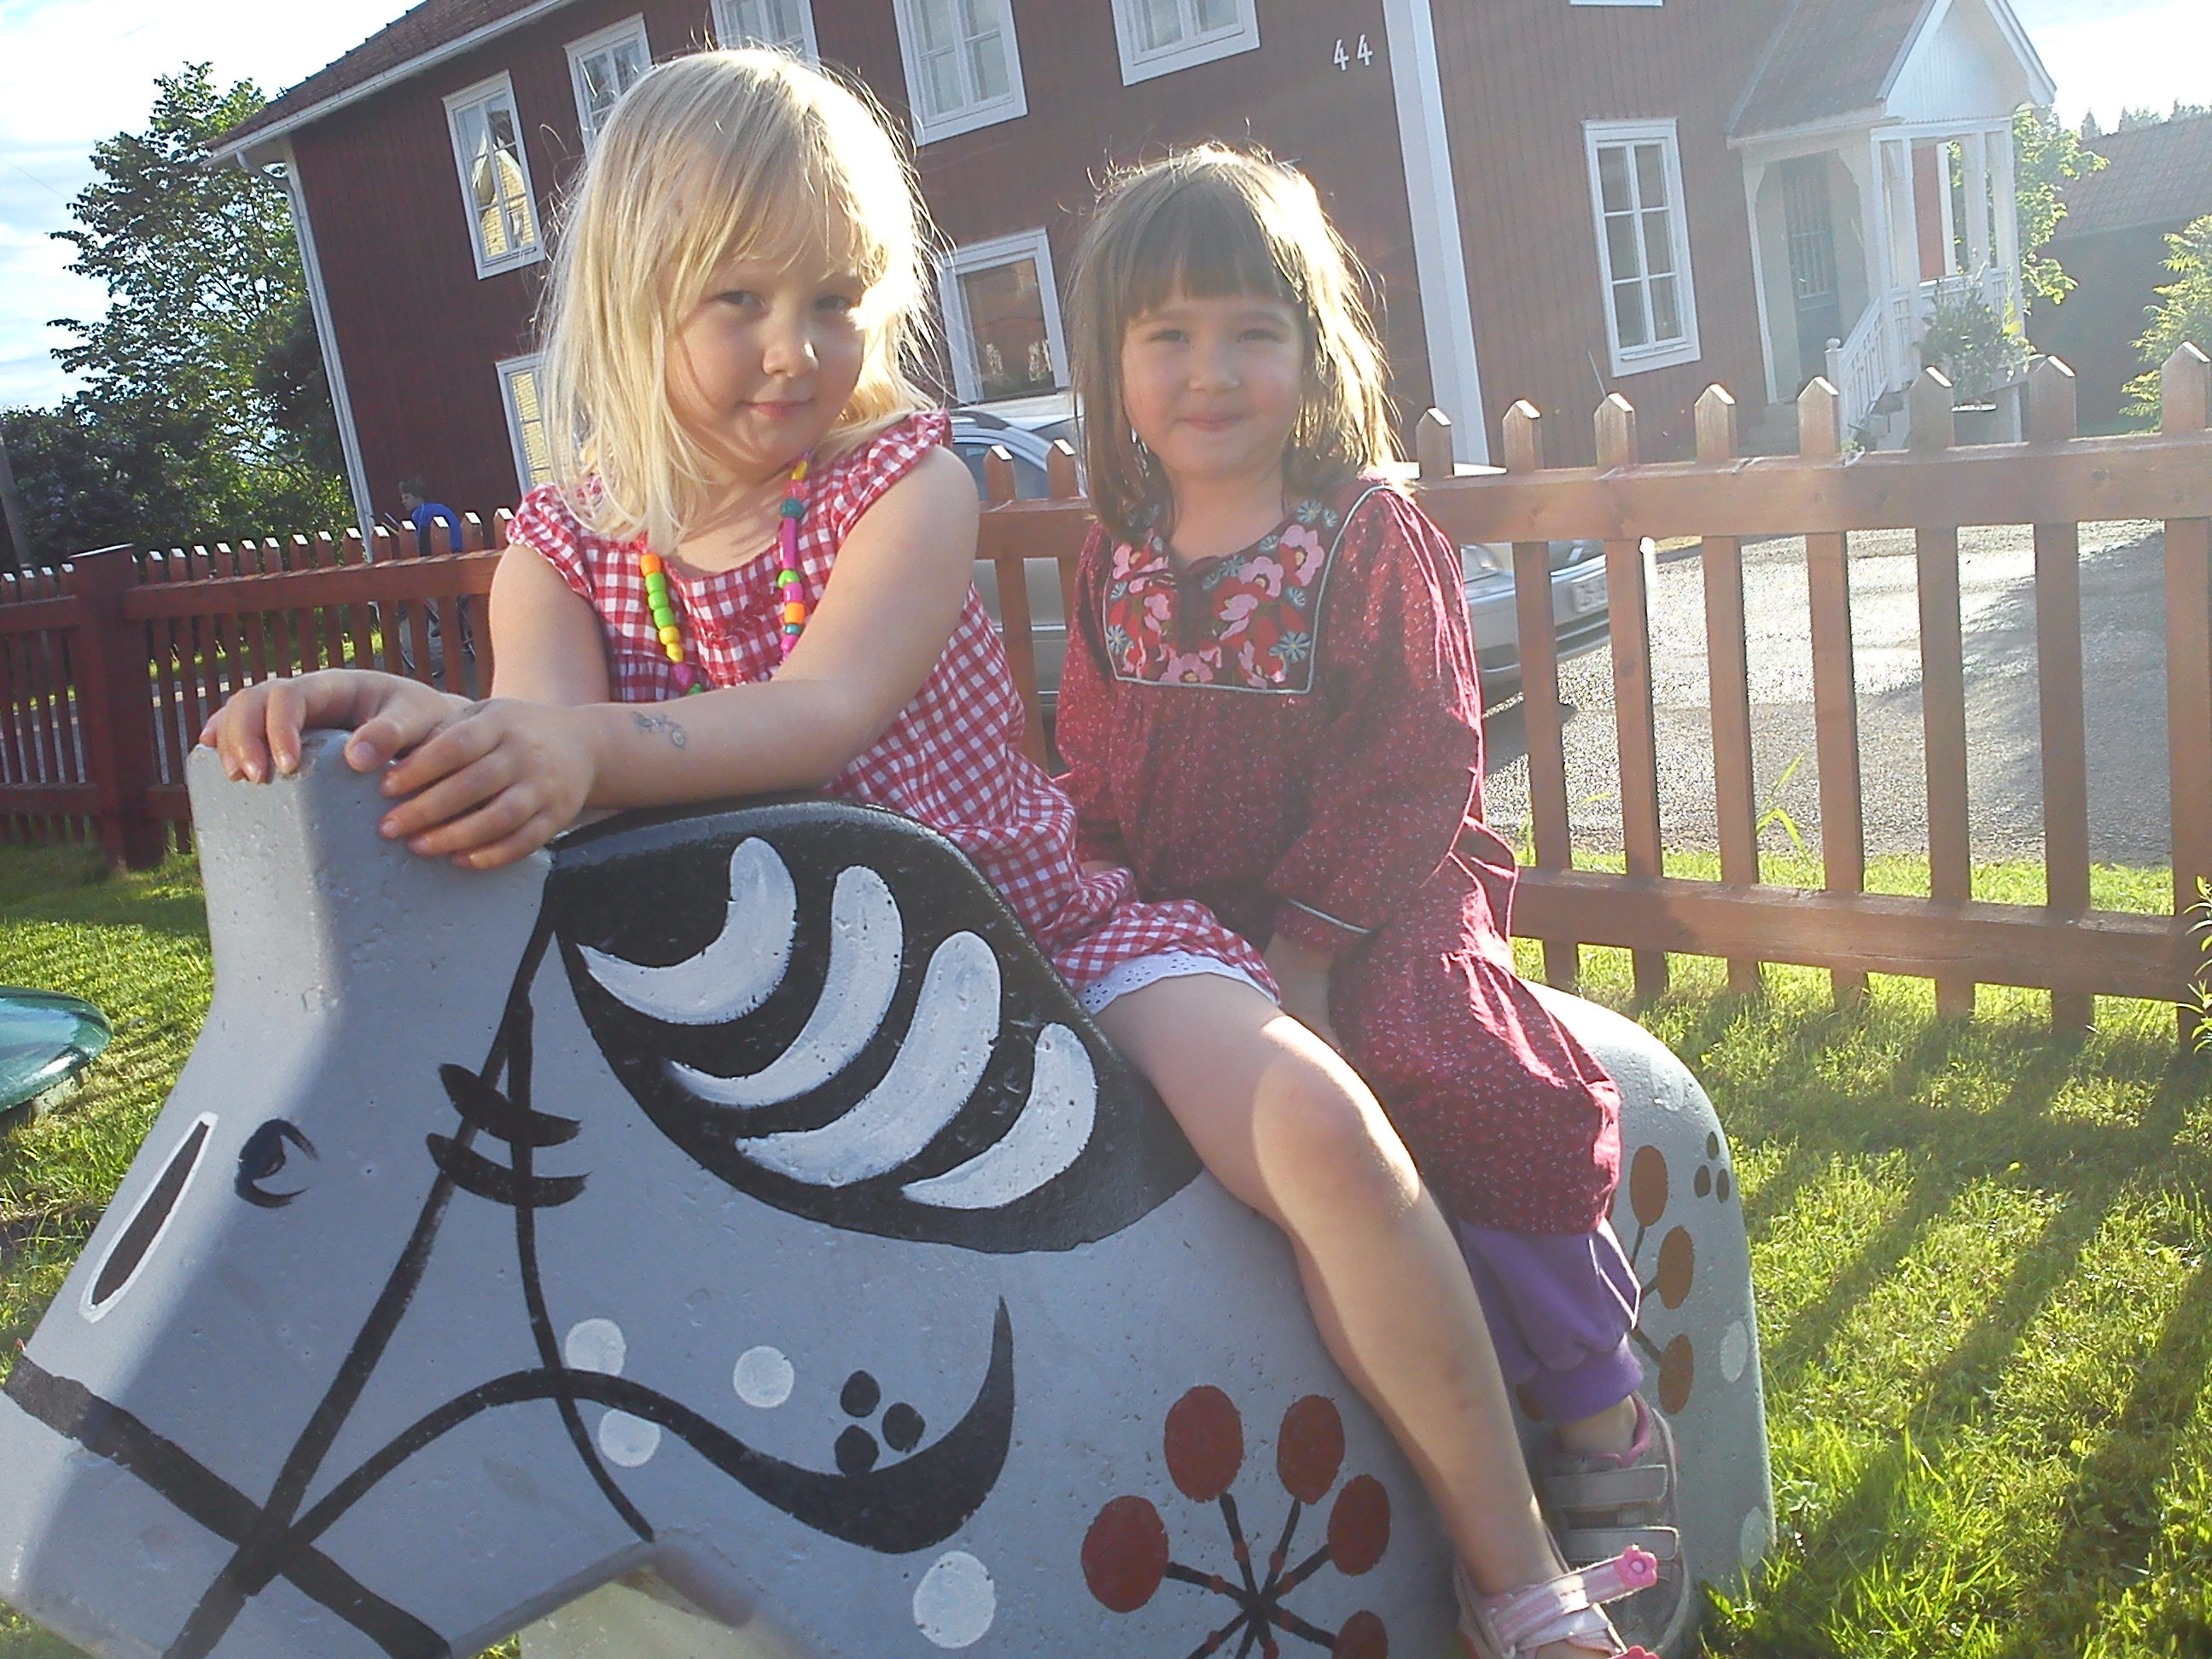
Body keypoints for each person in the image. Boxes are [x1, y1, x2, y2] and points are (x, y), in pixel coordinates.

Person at [200, 52, 1654, 1659]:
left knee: (1324, 1130)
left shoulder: (906, 481)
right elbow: (537, 749)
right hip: (770, 1010)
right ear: (629, 292)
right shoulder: (560, 551)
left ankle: (1517, 1571)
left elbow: (818, 712)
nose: (794, 349)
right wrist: (400, 726)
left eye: (833, 299)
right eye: (737, 298)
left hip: (1028, 935)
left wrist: (572, 749)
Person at [1053, 146, 1685, 1658]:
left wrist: (1312, 944)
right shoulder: (1115, 558)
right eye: (1167, 334)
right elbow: (1091, 753)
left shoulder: (1358, 534)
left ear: (1312, 347)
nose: (1211, 370)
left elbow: (1420, 756)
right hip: (1185, 915)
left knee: (1440, 1069)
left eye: (1250, 330)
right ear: (1113, 364)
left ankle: (1598, 1407)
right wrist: (1099, 888)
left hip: (1377, 895)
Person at [398, 480, 466, 556]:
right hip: (460, 550)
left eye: (407, 497)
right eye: (402, 499)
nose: (403, 502)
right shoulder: (438, 507)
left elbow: (422, 543)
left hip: (446, 552)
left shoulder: (421, 512)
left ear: (418, 497)